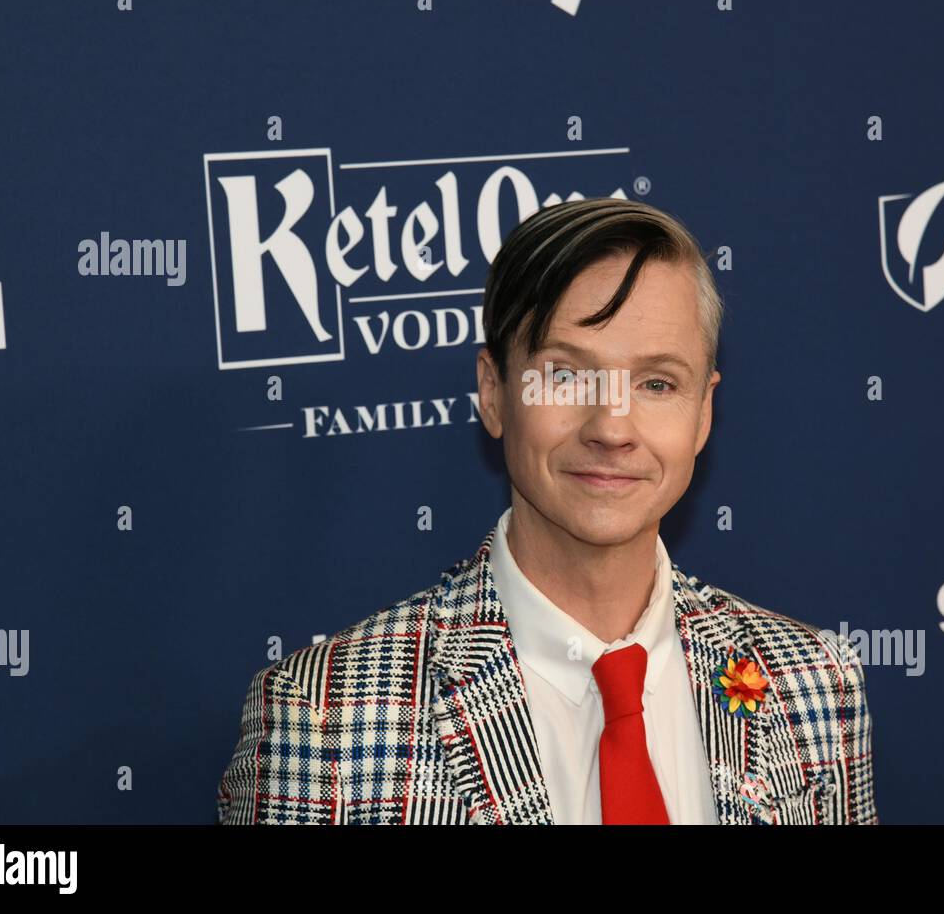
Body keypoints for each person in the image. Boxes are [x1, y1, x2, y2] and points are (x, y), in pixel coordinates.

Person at [216, 197, 877, 825]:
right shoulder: (324, 719)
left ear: (704, 411)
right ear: (495, 392)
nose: (612, 428)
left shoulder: (814, 681)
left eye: (656, 383)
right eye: (565, 375)